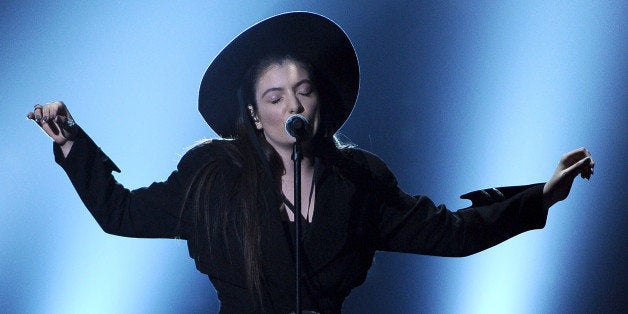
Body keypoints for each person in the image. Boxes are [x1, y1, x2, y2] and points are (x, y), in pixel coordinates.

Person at [27, 12, 594, 314]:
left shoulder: (361, 181)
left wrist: (539, 196)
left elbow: (451, 233)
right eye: (275, 97)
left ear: (321, 99)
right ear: (253, 113)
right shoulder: (210, 177)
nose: (293, 106)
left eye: (303, 91)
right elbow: (121, 214)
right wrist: (71, 142)